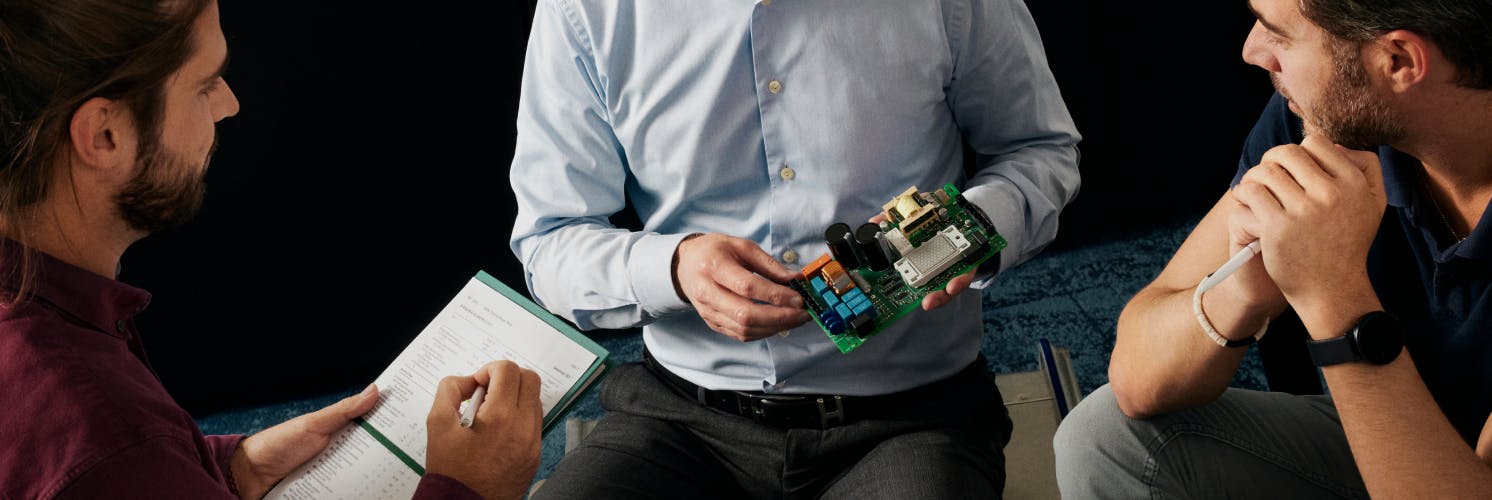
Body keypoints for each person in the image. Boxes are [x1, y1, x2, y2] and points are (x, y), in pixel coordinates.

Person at [509, 0, 1080, 497]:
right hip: (679, 418)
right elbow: (550, 239)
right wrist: (675, 269)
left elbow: (1039, 149)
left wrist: (973, 224)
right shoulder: (585, 9)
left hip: (909, 417)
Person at [0, 1, 541, 498]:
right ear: (104, 135)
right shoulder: (106, 436)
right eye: (204, 84)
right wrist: (469, 490)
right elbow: (109, 461)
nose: (229, 105)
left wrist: (229, 468)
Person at [1053, 0, 1492, 497]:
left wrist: (1335, 298)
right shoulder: (1336, 117)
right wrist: (1245, 290)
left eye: (1277, 33)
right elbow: (1136, 379)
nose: (1251, 51)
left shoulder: (1342, 105)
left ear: (1398, 61)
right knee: (1106, 437)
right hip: (1389, 420)